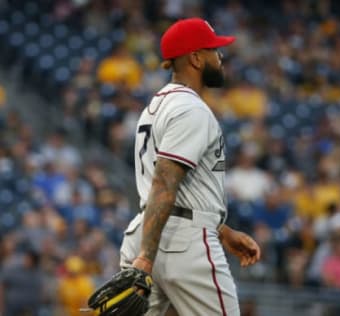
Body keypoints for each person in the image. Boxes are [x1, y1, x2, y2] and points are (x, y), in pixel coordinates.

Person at [119, 18, 261, 316]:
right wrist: (147, 257)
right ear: (196, 58)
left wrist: (221, 230)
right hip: (180, 244)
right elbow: (164, 183)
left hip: (148, 232)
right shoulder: (190, 109)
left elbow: (180, 188)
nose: (220, 56)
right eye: (213, 50)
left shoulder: (156, 107)